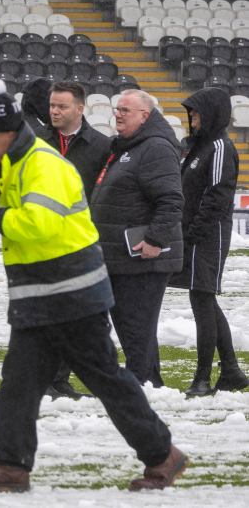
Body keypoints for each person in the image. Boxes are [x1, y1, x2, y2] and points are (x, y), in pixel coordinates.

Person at [0, 77, 186, 493]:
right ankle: (10, 467)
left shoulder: (42, 165)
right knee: (19, 383)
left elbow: (35, 225)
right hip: (40, 295)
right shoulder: (13, 163)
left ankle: (163, 455)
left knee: (107, 381)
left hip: (72, 294)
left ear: (5, 133)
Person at [90, 89, 183, 388]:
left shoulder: (155, 147)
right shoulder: (128, 147)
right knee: (134, 327)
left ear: (145, 115)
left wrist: (155, 239)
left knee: (135, 328)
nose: (117, 114)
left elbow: (171, 199)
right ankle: (150, 383)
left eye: (125, 110)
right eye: (117, 109)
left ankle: (138, 385)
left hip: (143, 257)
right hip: (122, 256)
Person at [36, 80, 112, 399]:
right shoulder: (35, 141)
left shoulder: (102, 146)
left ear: (80, 109)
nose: (54, 111)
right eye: (52, 105)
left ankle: (60, 379)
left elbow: (104, 193)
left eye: (61, 106)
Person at [172, 88, 248, 396]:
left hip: (209, 235)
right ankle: (229, 370)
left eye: (196, 112)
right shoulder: (199, 147)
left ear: (212, 113)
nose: (191, 117)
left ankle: (203, 378)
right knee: (202, 299)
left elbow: (217, 196)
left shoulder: (219, 147)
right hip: (196, 234)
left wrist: (193, 232)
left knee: (202, 299)